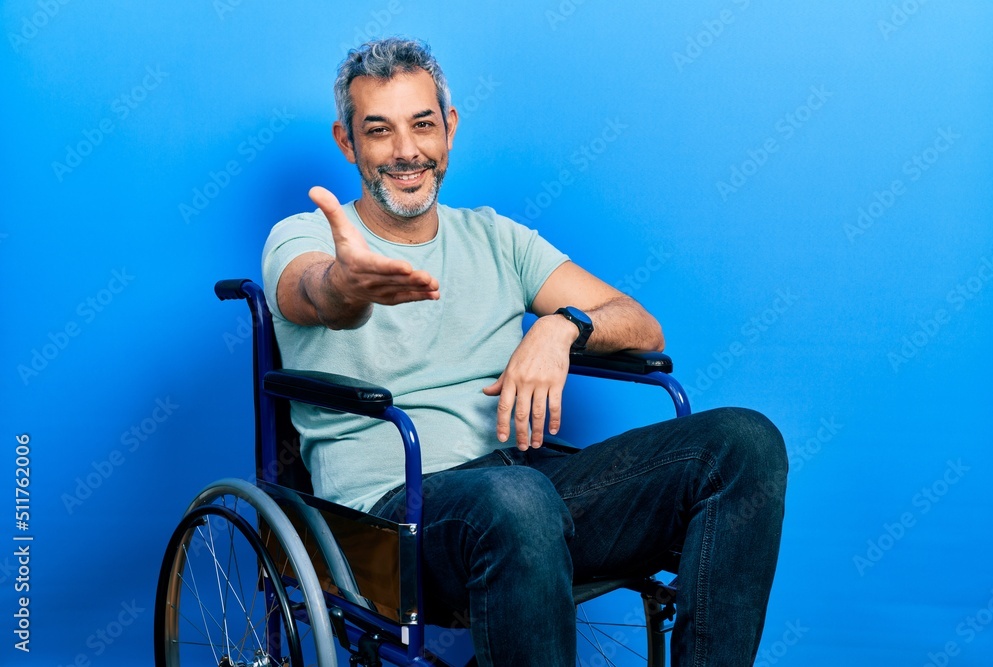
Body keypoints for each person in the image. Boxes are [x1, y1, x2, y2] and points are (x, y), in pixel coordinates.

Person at [262, 37, 787, 667]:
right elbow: (313, 294)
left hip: (519, 489)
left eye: (422, 124)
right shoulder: (302, 237)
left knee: (745, 443)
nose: (406, 151)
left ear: (449, 130)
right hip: (389, 517)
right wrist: (348, 286)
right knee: (518, 498)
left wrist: (561, 327)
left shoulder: (498, 238)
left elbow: (642, 326)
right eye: (379, 130)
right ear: (348, 143)